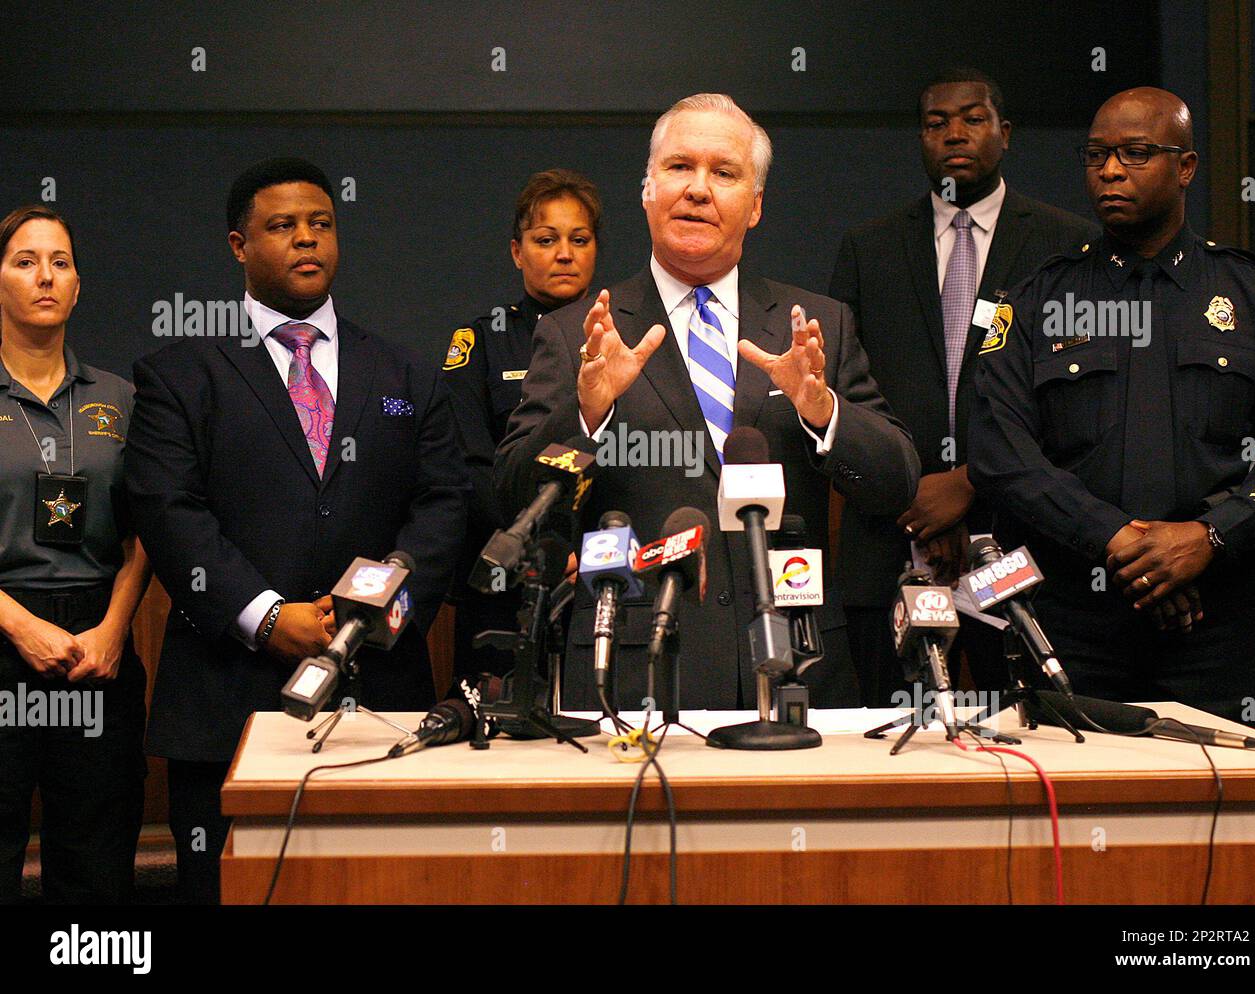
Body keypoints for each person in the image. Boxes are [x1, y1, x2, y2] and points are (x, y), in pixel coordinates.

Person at [496, 93, 921, 711]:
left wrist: (823, 411)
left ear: (755, 207)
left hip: (796, 667)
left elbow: (895, 484)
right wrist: (586, 416)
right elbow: (514, 500)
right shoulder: (578, 331)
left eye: (723, 173)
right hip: (637, 673)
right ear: (646, 189)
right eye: (678, 167)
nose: (698, 189)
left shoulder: (818, 322)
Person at [125, 158, 469, 903]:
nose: (306, 239)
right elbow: (168, 510)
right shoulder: (178, 374)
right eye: (281, 226)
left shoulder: (407, 374)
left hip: (381, 697)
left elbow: (443, 504)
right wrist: (267, 616)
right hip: (227, 699)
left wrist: (384, 606)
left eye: (321, 224)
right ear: (239, 245)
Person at [969, 88, 1255, 729]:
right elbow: (996, 450)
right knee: (1065, 814)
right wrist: (1120, 541)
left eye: (1135, 154)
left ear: (1186, 167)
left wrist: (1210, 537)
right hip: (1072, 623)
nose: (1111, 170)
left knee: (1222, 817)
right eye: (1097, 155)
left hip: (1214, 625)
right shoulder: (1038, 299)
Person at [829, 68, 1096, 705]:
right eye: (935, 122)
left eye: (973, 119)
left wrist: (972, 483)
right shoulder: (869, 248)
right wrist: (912, 496)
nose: (955, 133)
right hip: (891, 538)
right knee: (888, 750)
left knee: (1022, 736)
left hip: (1021, 542)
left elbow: (1082, 407)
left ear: (1005, 133)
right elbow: (841, 397)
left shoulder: (1068, 247)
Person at [0, 206, 151, 903]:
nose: (45, 276)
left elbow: (145, 531)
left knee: (96, 859)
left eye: (59, 262)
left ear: (79, 285)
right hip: (4, 633)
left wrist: (117, 628)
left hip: (98, 643)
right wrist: (19, 626)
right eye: (25, 261)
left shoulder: (122, 399)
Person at [443, 169, 600, 687]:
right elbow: (470, 466)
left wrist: (590, 550)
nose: (564, 253)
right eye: (545, 240)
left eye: (579, 240)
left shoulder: (626, 336)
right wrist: (544, 548)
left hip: (603, 575)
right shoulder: (480, 340)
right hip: (506, 577)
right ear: (517, 251)